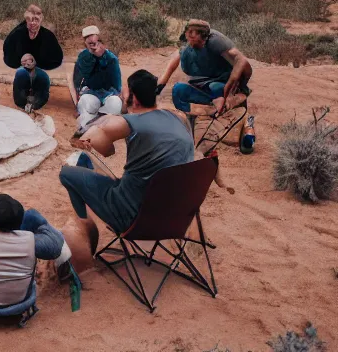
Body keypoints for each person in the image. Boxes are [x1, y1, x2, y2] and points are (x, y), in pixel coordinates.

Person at [60, 69, 194, 234]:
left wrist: (102, 126)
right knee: (87, 163)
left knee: (66, 173)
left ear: (135, 98)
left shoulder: (128, 122)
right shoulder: (178, 117)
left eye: (125, 91)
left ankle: (84, 227)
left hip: (131, 216)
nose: (121, 95)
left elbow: (101, 147)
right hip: (175, 217)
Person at [0, 194, 72, 307]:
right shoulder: (28, 242)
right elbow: (56, 246)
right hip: (17, 304)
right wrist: (33, 217)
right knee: (31, 215)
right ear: (17, 225)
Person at [157, 19, 252, 115]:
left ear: (203, 35)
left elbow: (241, 61)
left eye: (194, 34)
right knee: (178, 90)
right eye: (188, 33)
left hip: (221, 84)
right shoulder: (187, 44)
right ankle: (194, 117)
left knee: (215, 87)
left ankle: (231, 105)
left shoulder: (215, 41)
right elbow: (175, 59)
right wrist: (160, 86)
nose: (190, 37)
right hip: (201, 86)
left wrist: (235, 87)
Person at [4, 5, 63, 111]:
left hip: (39, 69)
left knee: (43, 77)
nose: (33, 23)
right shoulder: (17, 34)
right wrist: (19, 60)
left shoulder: (48, 36)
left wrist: (38, 62)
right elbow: (7, 54)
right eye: (30, 20)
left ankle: (36, 104)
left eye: (36, 20)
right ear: (26, 20)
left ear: (41, 20)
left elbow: (57, 58)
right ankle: (22, 103)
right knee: (21, 74)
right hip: (22, 69)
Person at [74, 26, 122, 133]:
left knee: (115, 104)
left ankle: (97, 125)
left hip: (108, 94)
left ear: (99, 39)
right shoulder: (83, 57)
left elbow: (117, 85)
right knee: (87, 103)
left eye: (93, 37)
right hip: (91, 93)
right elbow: (78, 80)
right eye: (88, 38)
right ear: (84, 41)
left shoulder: (111, 58)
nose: (91, 40)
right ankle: (89, 129)